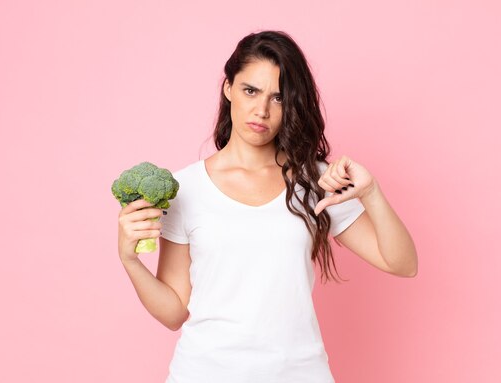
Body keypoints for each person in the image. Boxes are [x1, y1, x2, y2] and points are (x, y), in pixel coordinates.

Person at [117, 30, 418, 382]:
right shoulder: (187, 189)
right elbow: (173, 313)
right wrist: (130, 259)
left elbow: (403, 264)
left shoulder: (315, 181)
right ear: (228, 87)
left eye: (278, 98)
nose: (261, 110)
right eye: (251, 91)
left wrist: (371, 192)